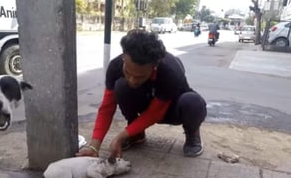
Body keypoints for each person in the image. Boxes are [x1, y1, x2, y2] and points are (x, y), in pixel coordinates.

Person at [76, 29, 207, 159]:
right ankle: (137, 134)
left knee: (193, 102)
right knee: (121, 86)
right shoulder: (115, 67)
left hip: (170, 108)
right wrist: (94, 146)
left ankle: (192, 134)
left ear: (154, 66)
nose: (132, 80)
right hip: (145, 101)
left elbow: (154, 114)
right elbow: (107, 107)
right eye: (128, 72)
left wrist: (120, 137)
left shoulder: (170, 70)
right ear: (123, 58)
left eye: (140, 76)